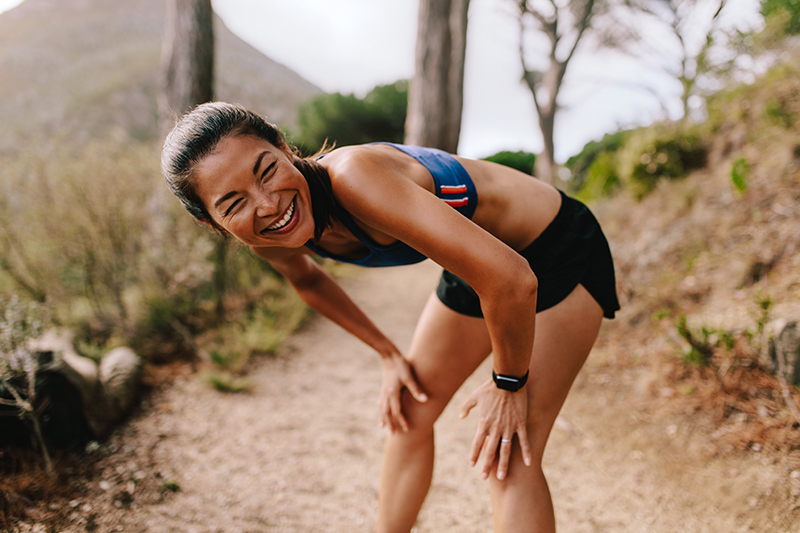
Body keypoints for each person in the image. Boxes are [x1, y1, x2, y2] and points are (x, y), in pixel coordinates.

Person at [161, 102, 620, 533]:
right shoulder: (264, 233)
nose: (268, 204)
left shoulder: (354, 177)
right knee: (408, 413)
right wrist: (387, 353)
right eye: (233, 203)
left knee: (510, 453)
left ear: (284, 147)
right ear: (212, 222)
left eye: (267, 171)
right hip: (480, 269)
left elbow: (512, 281)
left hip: (556, 248)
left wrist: (509, 384)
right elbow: (308, 281)